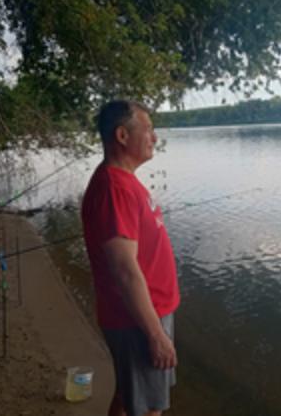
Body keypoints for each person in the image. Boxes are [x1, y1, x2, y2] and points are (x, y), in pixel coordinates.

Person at [81, 100, 180, 416]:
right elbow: (124, 270)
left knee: (128, 395)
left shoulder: (121, 180)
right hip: (138, 318)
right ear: (122, 135)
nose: (154, 137)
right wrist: (155, 335)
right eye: (147, 129)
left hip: (143, 313)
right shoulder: (115, 188)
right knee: (150, 407)